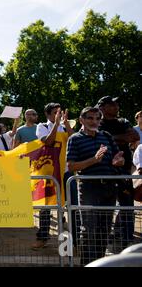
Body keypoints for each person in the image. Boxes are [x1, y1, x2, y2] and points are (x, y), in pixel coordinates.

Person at [66, 106, 124, 265]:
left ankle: (100, 263)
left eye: (98, 118)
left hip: (109, 187)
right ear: (81, 120)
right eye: (90, 118)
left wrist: (119, 161)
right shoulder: (75, 139)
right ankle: (87, 264)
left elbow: (118, 158)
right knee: (89, 230)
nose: (94, 121)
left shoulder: (106, 136)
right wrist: (94, 160)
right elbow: (71, 166)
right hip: (88, 188)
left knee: (104, 230)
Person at [97, 96, 139, 249]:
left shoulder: (123, 121)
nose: (116, 106)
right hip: (104, 170)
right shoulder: (97, 122)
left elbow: (135, 136)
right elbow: (100, 140)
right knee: (105, 206)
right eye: (112, 104)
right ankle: (104, 237)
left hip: (124, 169)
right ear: (103, 107)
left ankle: (127, 239)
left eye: (116, 104)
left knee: (127, 205)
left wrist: (112, 139)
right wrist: (122, 138)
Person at [33, 102, 74, 249]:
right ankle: (42, 237)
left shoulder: (65, 126)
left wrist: (66, 124)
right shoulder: (42, 127)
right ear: (48, 114)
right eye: (55, 112)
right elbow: (49, 142)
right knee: (46, 207)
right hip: (49, 172)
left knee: (71, 205)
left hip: (66, 171)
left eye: (60, 112)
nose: (59, 115)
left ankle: (73, 240)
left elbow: (74, 140)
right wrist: (56, 125)